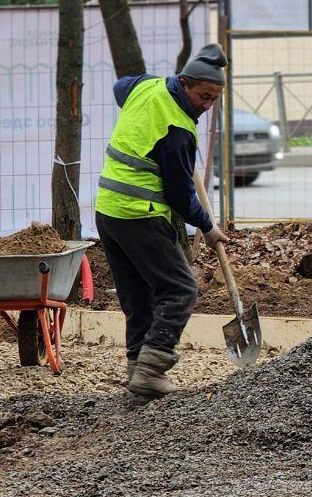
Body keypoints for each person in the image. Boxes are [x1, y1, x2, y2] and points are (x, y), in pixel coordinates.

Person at [95, 43, 230, 402]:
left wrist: (153, 84)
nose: (207, 105)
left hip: (108, 211)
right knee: (180, 289)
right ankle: (153, 372)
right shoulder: (177, 132)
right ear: (184, 83)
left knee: (138, 297)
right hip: (139, 214)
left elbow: (120, 86)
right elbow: (182, 197)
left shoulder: (145, 87)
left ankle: (138, 374)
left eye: (214, 99)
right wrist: (208, 227)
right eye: (203, 96)